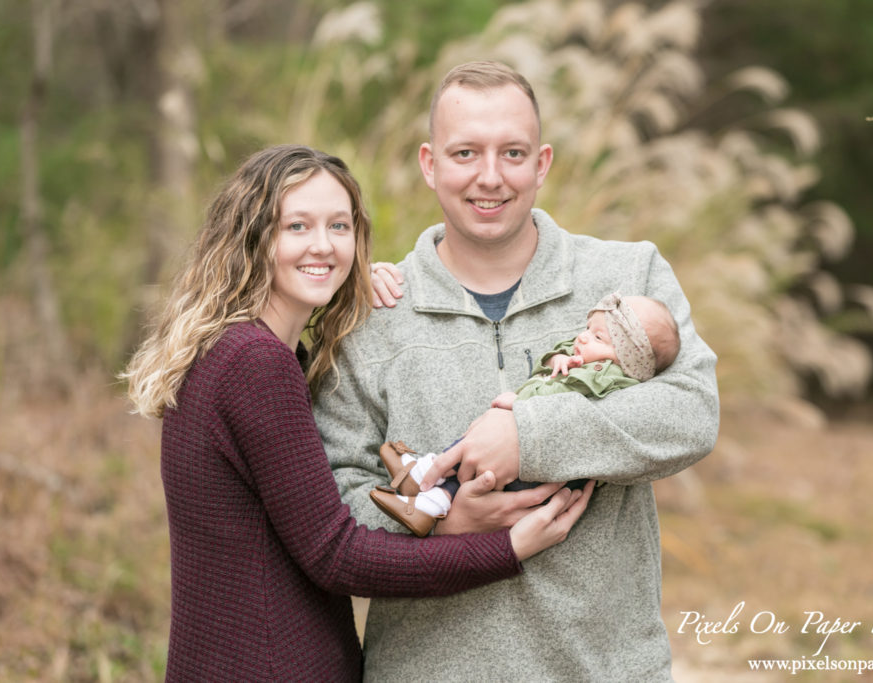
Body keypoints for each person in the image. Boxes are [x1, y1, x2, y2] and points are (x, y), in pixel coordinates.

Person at [120, 144, 593, 681]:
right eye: (296, 227)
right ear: (252, 236)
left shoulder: (235, 349)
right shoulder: (256, 363)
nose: (322, 245)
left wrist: (346, 290)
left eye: (338, 227)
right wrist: (504, 549)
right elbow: (336, 555)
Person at [315, 61, 719, 681]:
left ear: (542, 163)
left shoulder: (628, 277)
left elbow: (691, 413)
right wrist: (445, 526)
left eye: (512, 152)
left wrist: (528, 437)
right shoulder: (369, 316)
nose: (490, 177)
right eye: (465, 152)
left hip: (604, 669)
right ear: (429, 164)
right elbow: (334, 507)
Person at [371, 292, 681, 536]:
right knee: (483, 439)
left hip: (544, 477)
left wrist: (520, 410)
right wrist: (561, 358)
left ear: (627, 361)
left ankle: (432, 496)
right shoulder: (589, 363)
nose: (583, 338)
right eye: (587, 329)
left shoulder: (607, 377)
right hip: (538, 466)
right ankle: (426, 475)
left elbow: (570, 394)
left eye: (599, 338)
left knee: (487, 457)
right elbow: (561, 367)